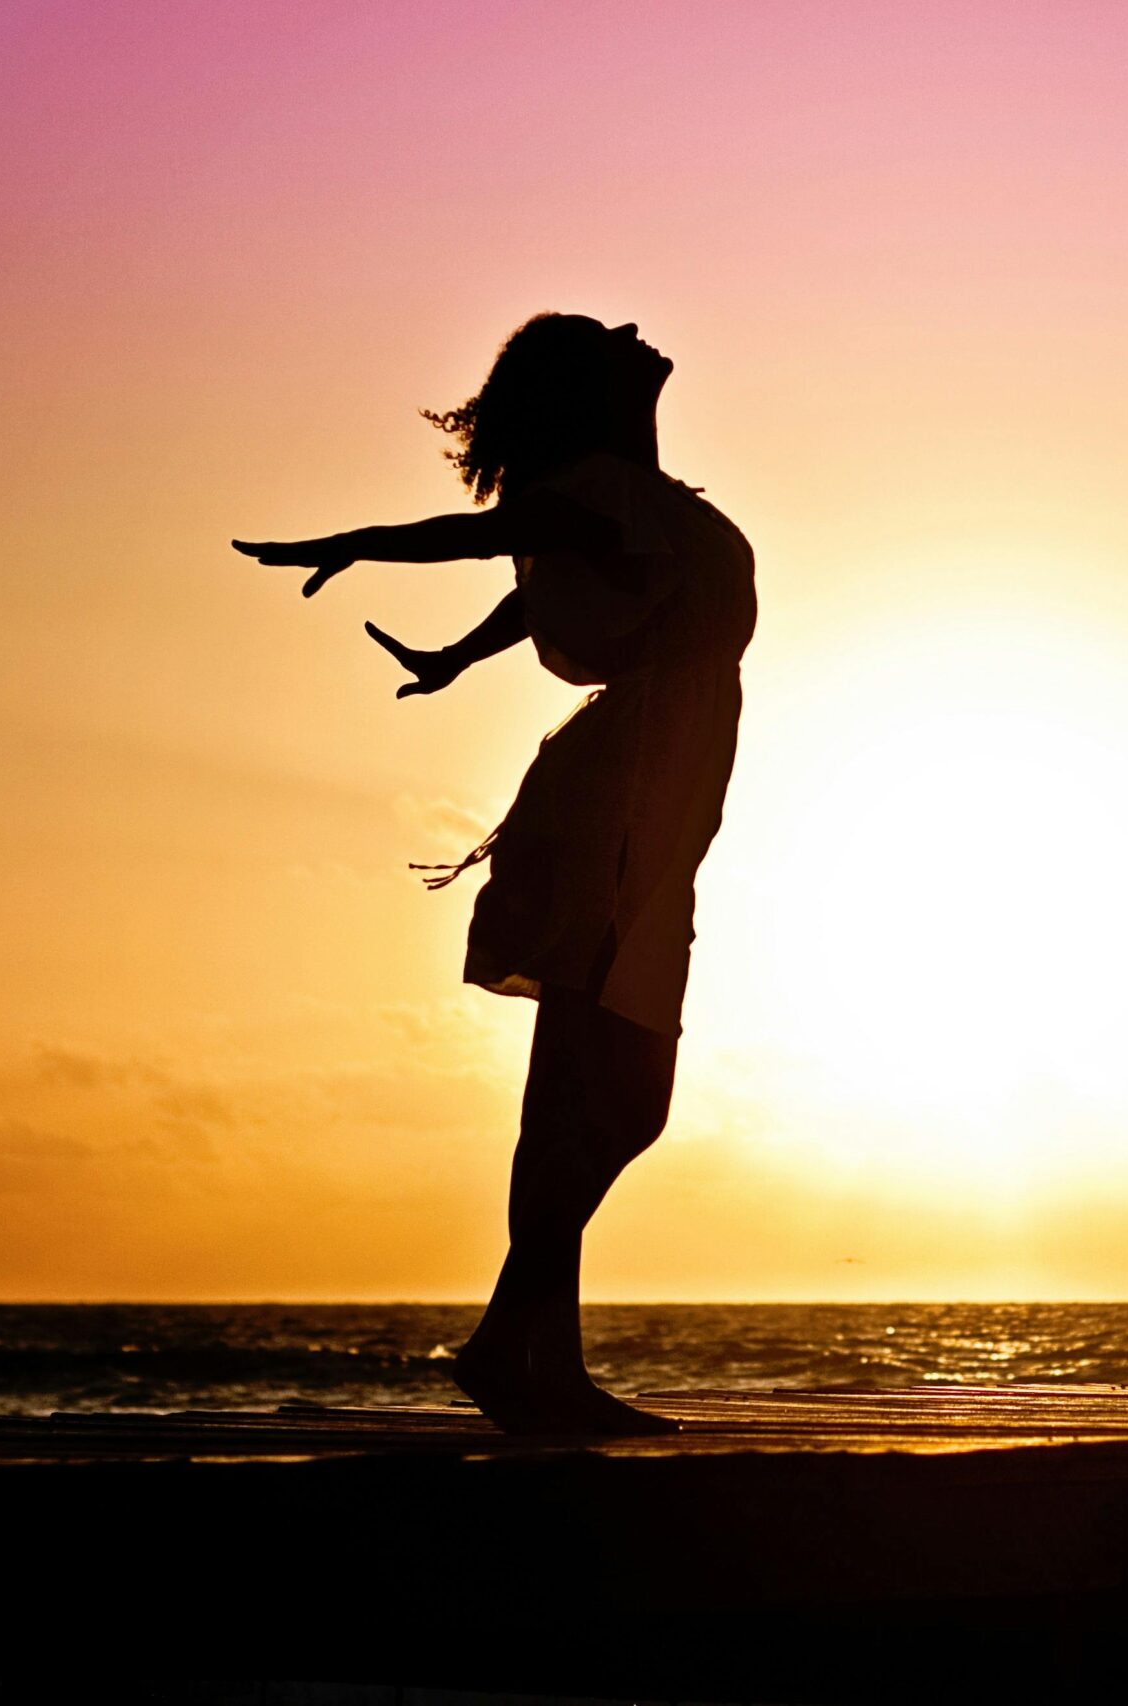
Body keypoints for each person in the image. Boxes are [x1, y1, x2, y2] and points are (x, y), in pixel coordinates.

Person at [233, 313, 756, 1434]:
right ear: (589, 388)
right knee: (607, 1093)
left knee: (592, 1094)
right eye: (607, 337)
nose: (634, 329)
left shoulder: (634, 498)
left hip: (645, 795)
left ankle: (524, 1354)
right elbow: (481, 540)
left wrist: (456, 657)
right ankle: (520, 1351)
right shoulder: (601, 485)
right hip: (620, 800)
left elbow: (560, 577)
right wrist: (360, 542)